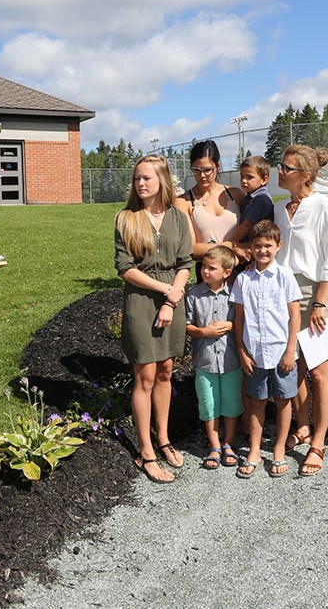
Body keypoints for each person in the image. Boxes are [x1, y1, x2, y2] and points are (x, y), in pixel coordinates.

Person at [115, 155, 193, 483]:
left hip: (171, 301)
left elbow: (185, 262)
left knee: (165, 371)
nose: (141, 184)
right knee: (145, 375)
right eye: (137, 179)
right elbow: (125, 268)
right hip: (142, 301)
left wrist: (172, 300)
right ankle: (145, 451)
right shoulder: (126, 218)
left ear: (162, 180)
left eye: (147, 178)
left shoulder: (178, 216)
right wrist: (165, 291)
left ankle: (163, 439)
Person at [274, 144, 328, 476]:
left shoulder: (324, 207)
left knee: (318, 370)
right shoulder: (278, 209)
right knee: (293, 367)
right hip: (282, 294)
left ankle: (318, 443)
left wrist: (320, 301)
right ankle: (301, 428)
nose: (280, 171)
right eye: (280, 166)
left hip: (313, 292)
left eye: (287, 168)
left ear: (305, 175)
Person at [230, 220, 302, 479]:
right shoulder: (243, 280)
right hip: (255, 355)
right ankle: (254, 451)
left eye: (268, 246)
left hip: (282, 352)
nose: (262, 250)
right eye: (258, 245)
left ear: (278, 247)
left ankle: (279, 449)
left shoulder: (285, 277)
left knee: (283, 401)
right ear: (250, 247)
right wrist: (243, 351)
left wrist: (289, 349)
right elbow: (239, 320)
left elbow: (295, 316)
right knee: (257, 401)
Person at [185, 245, 243, 470]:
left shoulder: (235, 296)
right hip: (205, 362)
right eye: (204, 268)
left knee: (230, 403)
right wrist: (202, 332)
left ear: (226, 273)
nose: (205, 272)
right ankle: (214, 445)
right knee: (209, 405)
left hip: (231, 362)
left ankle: (228, 442)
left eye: (211, 268)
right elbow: (186, 325)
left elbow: (243, 323)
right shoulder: (194, 295)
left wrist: (230, 325)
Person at [173, 139, 248, 276]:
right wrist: (231, 246)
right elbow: (191, 248)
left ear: (218, 165)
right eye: (196, 170)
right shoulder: (183, 202)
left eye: (207, 170)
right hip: (209, 276)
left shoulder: (236, 195)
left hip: (242, 270)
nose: (202, 176)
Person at [222, 154, 274, 249]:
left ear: (264, 180)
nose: (244, 181)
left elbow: (246, 225)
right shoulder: (250, 196)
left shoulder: (261, 199)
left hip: (257, 247)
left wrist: (230, 244)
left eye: (249, 177)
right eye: (242, 176)